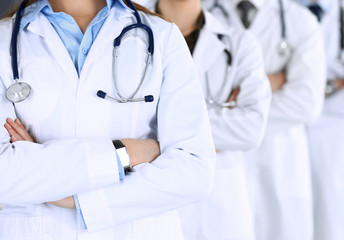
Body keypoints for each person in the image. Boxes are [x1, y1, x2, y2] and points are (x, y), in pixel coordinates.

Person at [0, 0, 216, 239]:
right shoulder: (4, 39)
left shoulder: (163, 36)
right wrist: (125, 154)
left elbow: (194, 171)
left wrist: (80, 202)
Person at [143, 0, 272, 239]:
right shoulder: (131, 35)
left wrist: (157, 127)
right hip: (153, 195)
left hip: (220, 203)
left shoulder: (239, 43)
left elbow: (250, 129)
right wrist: (219, 118)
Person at [201, 0, 326, 240]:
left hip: (279, 164)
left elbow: (306, 103)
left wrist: (236, 109)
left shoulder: (301, 21)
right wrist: (272, 83)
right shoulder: (203, 14)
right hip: (222, 174)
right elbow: (193, 94)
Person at [296, 0, 344, 239]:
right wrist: (332, 86)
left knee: (333, 226)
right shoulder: (279, 17)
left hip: (336, 150)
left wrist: (302, 100)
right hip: (284, 145)